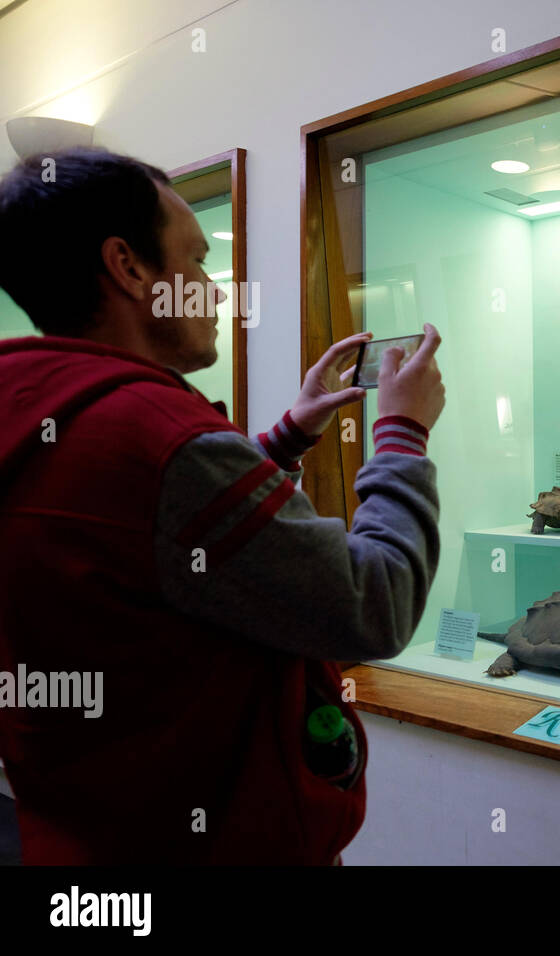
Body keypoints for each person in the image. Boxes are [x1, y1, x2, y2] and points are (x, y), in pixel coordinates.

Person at [0, 146, 444, 864]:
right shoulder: (165, 443)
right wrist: (402, 434)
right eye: (198, 261)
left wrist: (286, 437)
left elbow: (153, 540)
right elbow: (375, 603)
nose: (213, 289)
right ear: (129, 267)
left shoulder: (36, 412)